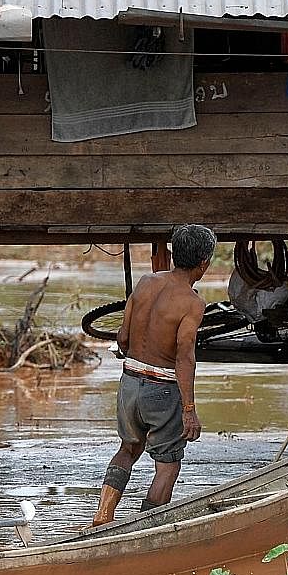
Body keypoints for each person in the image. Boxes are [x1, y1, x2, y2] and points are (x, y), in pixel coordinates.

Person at [91, 224, 217, 526]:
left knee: (128, 449)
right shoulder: (193, 303)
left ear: (174, 254)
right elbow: (185, 357)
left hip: (129, 382)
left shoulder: (146, 283)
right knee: (168, 465)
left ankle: (103, 516)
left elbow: (122, 338)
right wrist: (189, 410)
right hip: (161, 389)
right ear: (204, 263)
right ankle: (145, 530)